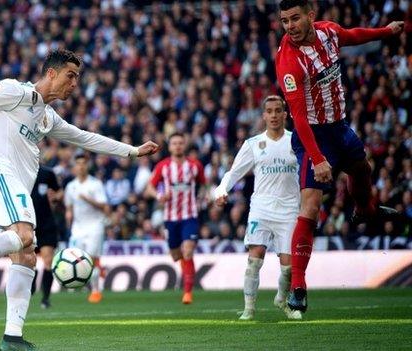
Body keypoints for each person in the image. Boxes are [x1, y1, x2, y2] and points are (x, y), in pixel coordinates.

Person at [0, 49, 159, 351]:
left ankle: (12, 338)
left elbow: (86, 138)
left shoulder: (48, 118)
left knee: (26, 254)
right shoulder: (16, 92)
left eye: (78, 78)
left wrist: (133, 150)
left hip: (13, 186)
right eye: (70, 76)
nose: (74, 84)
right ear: (50, 73)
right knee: (23, 235)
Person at [275, 0, 402, 312]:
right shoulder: (289, 61)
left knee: (362, 170)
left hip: (340, 126)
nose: (289, 26)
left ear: (311, 14)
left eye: (294, 19)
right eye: (284, 21)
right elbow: (300, 119)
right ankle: (298, 288)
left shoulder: (329, 33)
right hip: (312, 136)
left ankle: (364, 210)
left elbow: (354, 34)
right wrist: (318, 158)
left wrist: (386, 31)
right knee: (311, 204)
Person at [213, 95, 301, 320]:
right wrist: (221, 190)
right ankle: (249, 309)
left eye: (277, 110)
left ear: (285, 114)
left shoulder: (297, 141)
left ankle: (281, 299)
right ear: (263, 115)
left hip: (289, 208)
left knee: (289, 267)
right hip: (261, 208)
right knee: (254, 259)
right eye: (269, 111)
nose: (273, 115)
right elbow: (233, 172)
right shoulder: (253, 144)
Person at [145, 132, 205, 304]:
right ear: (170, 147)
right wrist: (158, 196)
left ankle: (187, 293)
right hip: (170, 218)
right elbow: (149, 187)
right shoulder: (163, 166)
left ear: (184, 145)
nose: (178, 146)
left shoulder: (195, 165)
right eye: (174, 143)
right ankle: (186, 272)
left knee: (187, 250)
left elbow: (204, 183)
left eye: (180, 142)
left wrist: (208, 195)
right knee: (176, 255)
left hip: (190, 216)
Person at [64, 153, 109, 303]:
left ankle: (96, 291)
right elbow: (69, 206)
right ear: (75, 167)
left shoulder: (95, 184)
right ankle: (77, 284)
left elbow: (104, 206)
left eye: (84, 163)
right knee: (75, 258)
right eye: (78, 163)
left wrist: (88, 199)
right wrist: (69, 216)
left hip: (95, 226)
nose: (81, 166)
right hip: (78, 228)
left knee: (92, 258)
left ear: (87, 165)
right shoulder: (71, 186)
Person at [30, 165, 62, 309]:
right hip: (28, 224)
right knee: (30, 262)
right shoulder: (19, 171)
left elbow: (59, 192)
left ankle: (45, 298)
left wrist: (55, 197)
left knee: (48, 260)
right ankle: (30, 289)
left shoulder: (47, 173)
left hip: (46, 224)